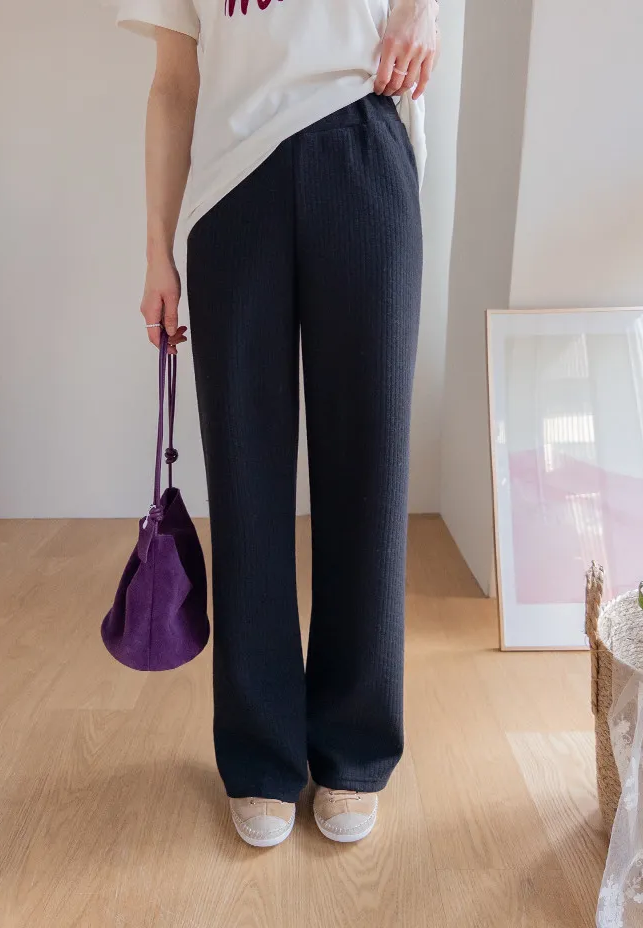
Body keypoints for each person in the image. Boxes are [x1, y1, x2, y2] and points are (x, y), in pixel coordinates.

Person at [116, 0, 440, 847]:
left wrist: (424, 8)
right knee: (246, 476)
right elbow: (173, 83)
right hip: (233, 192)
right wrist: (157, 249)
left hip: (363, 140)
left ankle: (353, 750)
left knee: (370, 468)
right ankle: (260, 756)